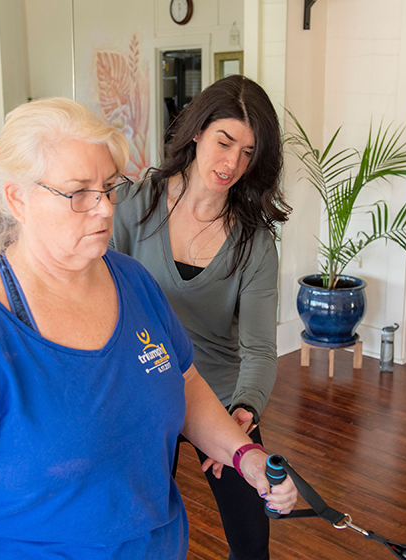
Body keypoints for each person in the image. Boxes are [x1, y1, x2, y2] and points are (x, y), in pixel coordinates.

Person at [0, 97, 296, 560]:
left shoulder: (133, 281)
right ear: (18, 198)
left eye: (109, 188)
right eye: (79, 193)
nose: (103, 210)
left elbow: (185, 383)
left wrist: (244, 455)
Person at [110, 75, 291, 560]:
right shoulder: (132, 206)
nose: (232, 162)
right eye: (224, 141)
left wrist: (245, 410)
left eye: (248, 152)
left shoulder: (254, 243)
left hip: (219, 394)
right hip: (144, 389)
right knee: (138, 535)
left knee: (253, 545)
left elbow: (258, 348)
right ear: (197, 132)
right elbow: (100, 298)